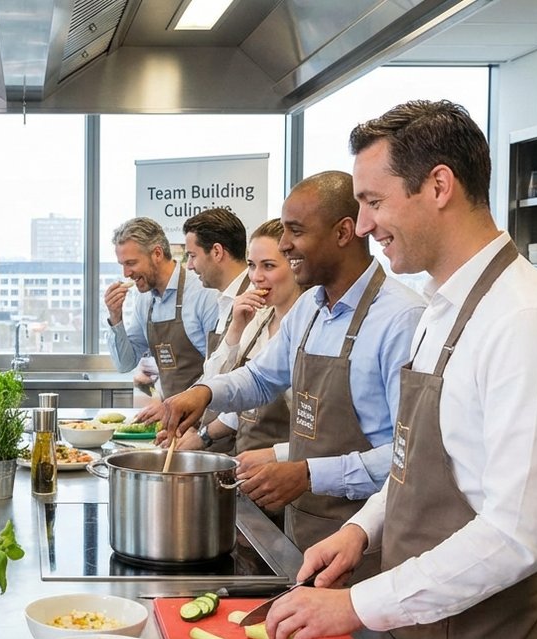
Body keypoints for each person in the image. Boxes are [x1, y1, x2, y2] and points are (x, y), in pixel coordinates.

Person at [264, 100, 537, 639]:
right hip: (421, 630)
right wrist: (362, 528)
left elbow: (518, 532)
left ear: (439, 186)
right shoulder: (438, 314)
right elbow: (413, 463)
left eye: (373, 202)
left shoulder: (528, 322)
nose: (362, 226)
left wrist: (359, 605)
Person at [150, 171, 425, 575]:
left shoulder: (400, 318)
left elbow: (408, 458)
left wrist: (311, 473)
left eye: (295, 231)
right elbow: (261, 378)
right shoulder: (311, 308)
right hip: (303, 531)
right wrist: (205, 393)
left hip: (366, 546)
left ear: (344, 232)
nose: (284, 244)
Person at [103, 217, 219, 398]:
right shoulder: (144, 300)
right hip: (170, 416)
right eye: (122, 265)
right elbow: (125, 364)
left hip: (207, 416)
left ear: (157, 254)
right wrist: (115, 317)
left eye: (131, 263)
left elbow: (220, 369)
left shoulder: (202, 292)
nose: (126, 274)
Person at [178, 207, 252, 453]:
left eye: (192, 256)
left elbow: (254, 388)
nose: (189, 266)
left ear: (217, 252)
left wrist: (203, 435)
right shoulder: (225, 301)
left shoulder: (253, 302)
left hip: (243, 446)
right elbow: (215, 371)